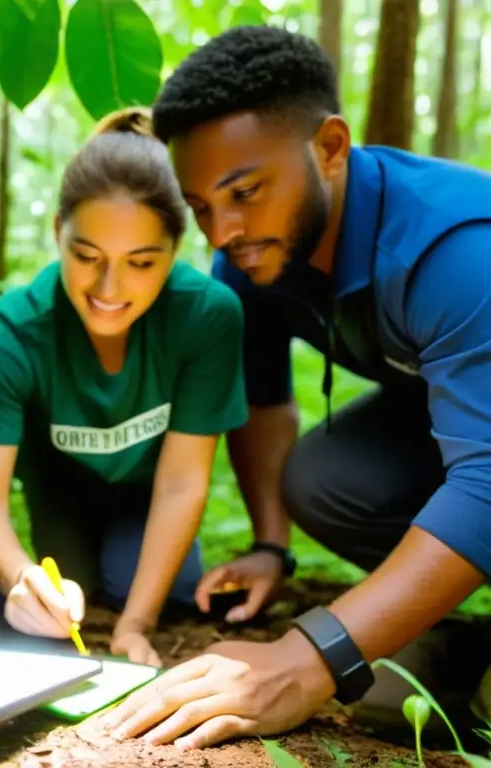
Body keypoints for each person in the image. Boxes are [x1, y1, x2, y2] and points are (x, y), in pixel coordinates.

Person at [105, 26, 491, 750]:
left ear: (331, 148)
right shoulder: (253, 262)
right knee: (321, 478)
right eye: (201, 206)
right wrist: (269, 548)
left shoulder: (457, 250)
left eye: (246, 191)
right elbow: (263, 402)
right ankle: (457, 636)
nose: (223, 232)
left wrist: (308, 661)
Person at [0, 108, 248, 666]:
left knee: (160, 587)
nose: (109, 288)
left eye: (141, 262)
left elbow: (184, 480)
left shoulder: (208, 316)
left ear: (176, 248)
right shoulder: (13, 333)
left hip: (148, 494)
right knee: (56, 601)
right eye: (86, 256)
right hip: (59, 492)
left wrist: (138, 624)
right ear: (57, 231)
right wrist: (17, 576)